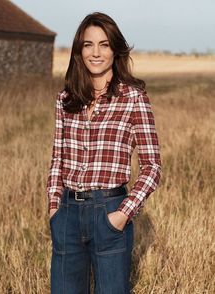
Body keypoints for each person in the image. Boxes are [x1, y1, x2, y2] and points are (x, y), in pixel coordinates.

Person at [46, 12, 162, 294]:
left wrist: (122, 214)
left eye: (104, 44)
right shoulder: (66, 99)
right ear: (79, 51)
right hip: (67, 214)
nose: (95, 53)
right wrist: (53, 208)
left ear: (115, 49)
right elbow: (57, 159)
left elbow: (152, 167)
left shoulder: (133, 98)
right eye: (88, 44)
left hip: (110, 211)